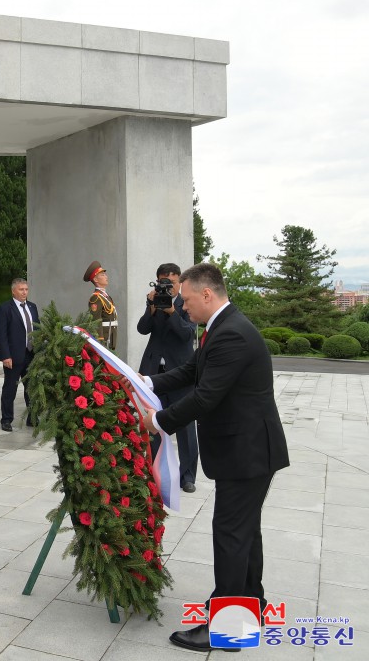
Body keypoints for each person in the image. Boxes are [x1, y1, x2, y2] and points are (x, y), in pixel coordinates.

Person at [139, 263, 289, 653]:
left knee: (230, 532)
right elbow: (191, 370)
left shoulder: (232, 334)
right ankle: (251, 604)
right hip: (247, 449)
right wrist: (146, 381)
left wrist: (156, 421)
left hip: (248, 452)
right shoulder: (222, 327)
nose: (183, 308)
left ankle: (227, 629)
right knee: (244, 531)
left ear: (207, 294)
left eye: (186, 300)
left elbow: (205, 396)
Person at [136, 263, 200, 493]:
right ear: (157, 280)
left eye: (172, 282)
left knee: (185, 425)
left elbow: (186, 335)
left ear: (179, 282)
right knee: (154, 422)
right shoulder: (154, 300)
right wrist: (152, 307)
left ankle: (188, 476)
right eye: (164, 281)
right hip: (154, 372)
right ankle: (153, 472)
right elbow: (143, 329)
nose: (168, 287)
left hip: (181, 372)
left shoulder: (187, 303)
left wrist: (172, 311)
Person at [0, 278, 40, 431]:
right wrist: (6, 356)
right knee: (10, 389)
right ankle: (6, 420)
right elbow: (2, 335)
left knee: (31, 388)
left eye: (26, 289)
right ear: (13, 291)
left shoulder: (32, 307)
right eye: (21, 289)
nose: (24, 292)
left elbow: (37, 330)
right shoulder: (5, 308)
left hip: (30, 354)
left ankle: (32, 418)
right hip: (13, 357)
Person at [83, 261, 118, 350]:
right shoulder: (96, 298)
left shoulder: (105, 296)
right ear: (96, 279)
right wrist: (100, 342)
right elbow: (96, 322)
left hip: (110, 336)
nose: (106, 276)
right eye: (102, 275)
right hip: (104, 339)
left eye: (105, 274)